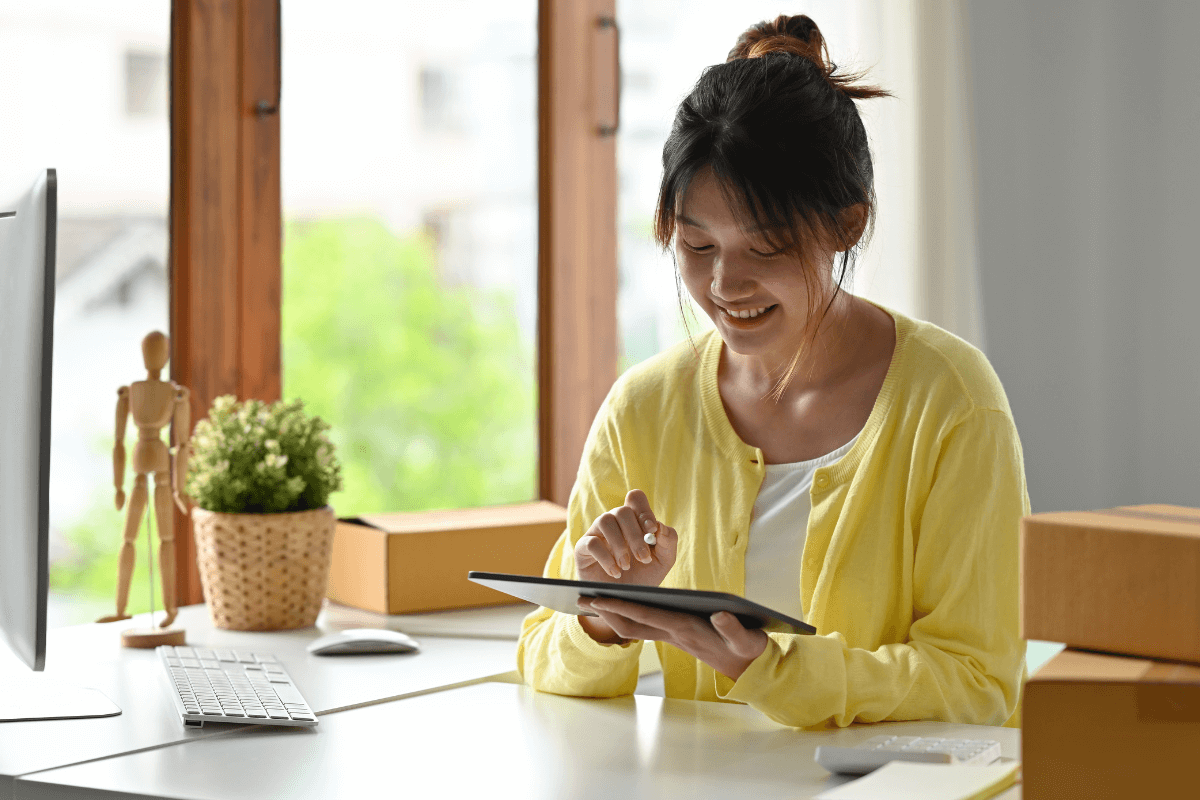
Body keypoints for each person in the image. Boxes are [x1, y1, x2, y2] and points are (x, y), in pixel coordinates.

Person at [516, 14, 1028, 730]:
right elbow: (541, 655)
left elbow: (979, 685)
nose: (725, 285)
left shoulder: (951, 402)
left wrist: (769, 667)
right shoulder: (643, 408)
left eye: (766, 248)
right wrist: (603, 616)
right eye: (697, 246)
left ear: (847, 224)